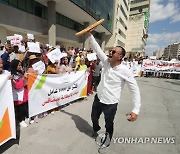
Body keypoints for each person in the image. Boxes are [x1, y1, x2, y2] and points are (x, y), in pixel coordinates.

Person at [88, 30, 141, 147]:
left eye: (113, 52)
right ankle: (96, 128)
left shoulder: (125, 71)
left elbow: (134, 90)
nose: (110, 53)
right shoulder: (106, 62)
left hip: (111, 103)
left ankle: (107, 140)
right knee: (94, 117)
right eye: (110, 50)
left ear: (120, 56)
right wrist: (90, 36)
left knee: (109, 124)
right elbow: (97, 49)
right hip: (99, 98)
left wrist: (136, 110)